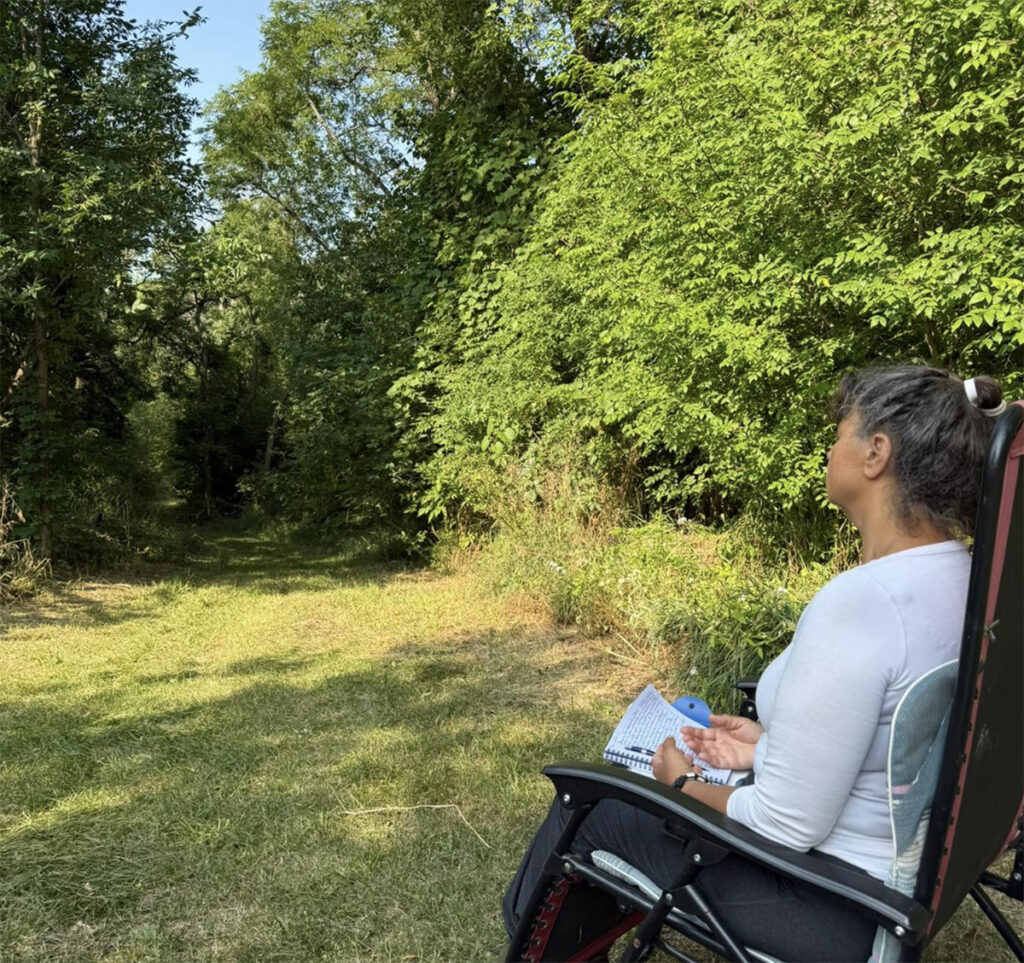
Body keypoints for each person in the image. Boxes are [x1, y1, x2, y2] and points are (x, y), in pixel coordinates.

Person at [502, 365, 1006, 963]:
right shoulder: (966, 580)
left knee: (595, 808)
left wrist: (681, 784)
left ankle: (533, 944)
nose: (829, 450)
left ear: (876, 453)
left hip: (836, 905)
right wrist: (767, 747)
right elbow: (905, 743)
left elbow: (784, 826)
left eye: (839, 433)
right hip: (896, 891)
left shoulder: (866, 604)